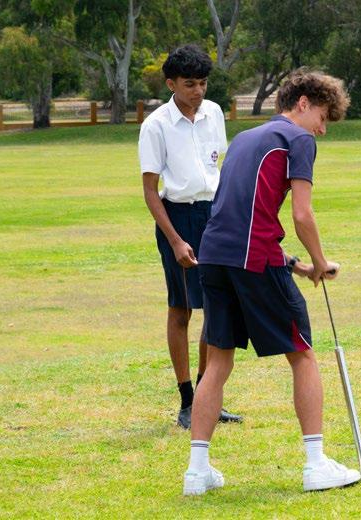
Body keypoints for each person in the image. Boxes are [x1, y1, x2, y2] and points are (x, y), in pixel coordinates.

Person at [182, 69, 360, 495]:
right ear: (303, 103)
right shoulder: (299, 139)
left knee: (218, 361)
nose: (323, 129)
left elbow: (242, 215)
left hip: (215, 257)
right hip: (252, 259)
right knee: (302, 353)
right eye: (323, 117)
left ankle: (196, 472)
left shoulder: (245, 138)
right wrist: (321, 263)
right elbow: (301, 214)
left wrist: (297, 265)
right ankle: (316, 465)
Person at [138, 44, 241, 429]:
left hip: (214, 214)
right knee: (181, 309)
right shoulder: (156, 125)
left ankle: (206, 396)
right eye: (189, 84)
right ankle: (186, 401)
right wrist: (176, 240)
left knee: (216, 308)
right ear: (171, 84)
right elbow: (151, 191)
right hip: (178, 217)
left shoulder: (214, 113)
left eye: (202, 83)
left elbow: (219, 170)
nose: (198, 91)